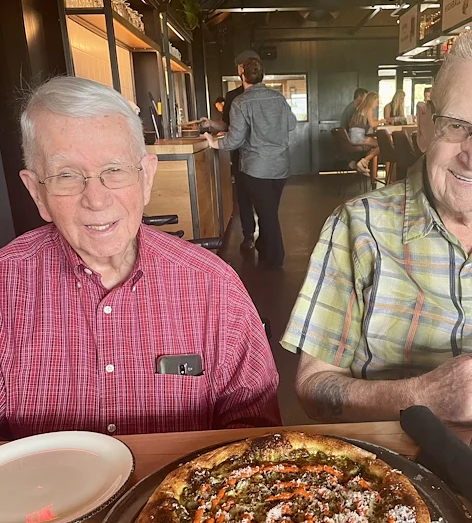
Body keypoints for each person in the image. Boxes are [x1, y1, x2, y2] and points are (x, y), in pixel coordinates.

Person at [281, 26, 472, 424]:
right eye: (456, 125)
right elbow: (314, 386)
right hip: (394, 469)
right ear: (425, 125)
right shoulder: (357, 228)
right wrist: (422, 396)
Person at [0, 76, 280, 441]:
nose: (96, 200)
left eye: (114, 170)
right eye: (67, 175)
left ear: (146, 178)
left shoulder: (215, 285)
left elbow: (257, 429)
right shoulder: (6, 285)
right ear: (37, 193)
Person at [206, 57, 297, 270]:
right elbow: (291, 124)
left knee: (268, 214)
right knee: (269, 210)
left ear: (242, 75)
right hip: (280, 166)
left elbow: (235, 139)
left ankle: (275, 258)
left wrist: (214, 142)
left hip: (257, 167)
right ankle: (264, 247)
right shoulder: (278, 98)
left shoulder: (241, 102)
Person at [202, 50, 261, 251]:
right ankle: (249, 235)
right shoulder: (234, 96)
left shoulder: (241, 96)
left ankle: (258, 237)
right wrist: (211, 123)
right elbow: (227, 125)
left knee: (251, 199)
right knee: (245, 198)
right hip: (248, 157)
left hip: (249, 156)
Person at [348, 92, 384, 176]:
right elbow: (372, 124)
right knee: (382, 144)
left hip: (353, 136)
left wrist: (374, 120)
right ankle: (364, 162)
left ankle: (362, 164)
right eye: (377, 102)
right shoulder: (369, 109)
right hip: (358, 137)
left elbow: (369, 130)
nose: (377, 104)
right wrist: (381, 121)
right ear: (372, 101)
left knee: (374, 145)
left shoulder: (361, 109)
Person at [416, 87, 435, 153]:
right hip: (425, 147)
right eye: (426, 96)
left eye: (429, 96)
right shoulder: (422, 108)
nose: (428, 99)